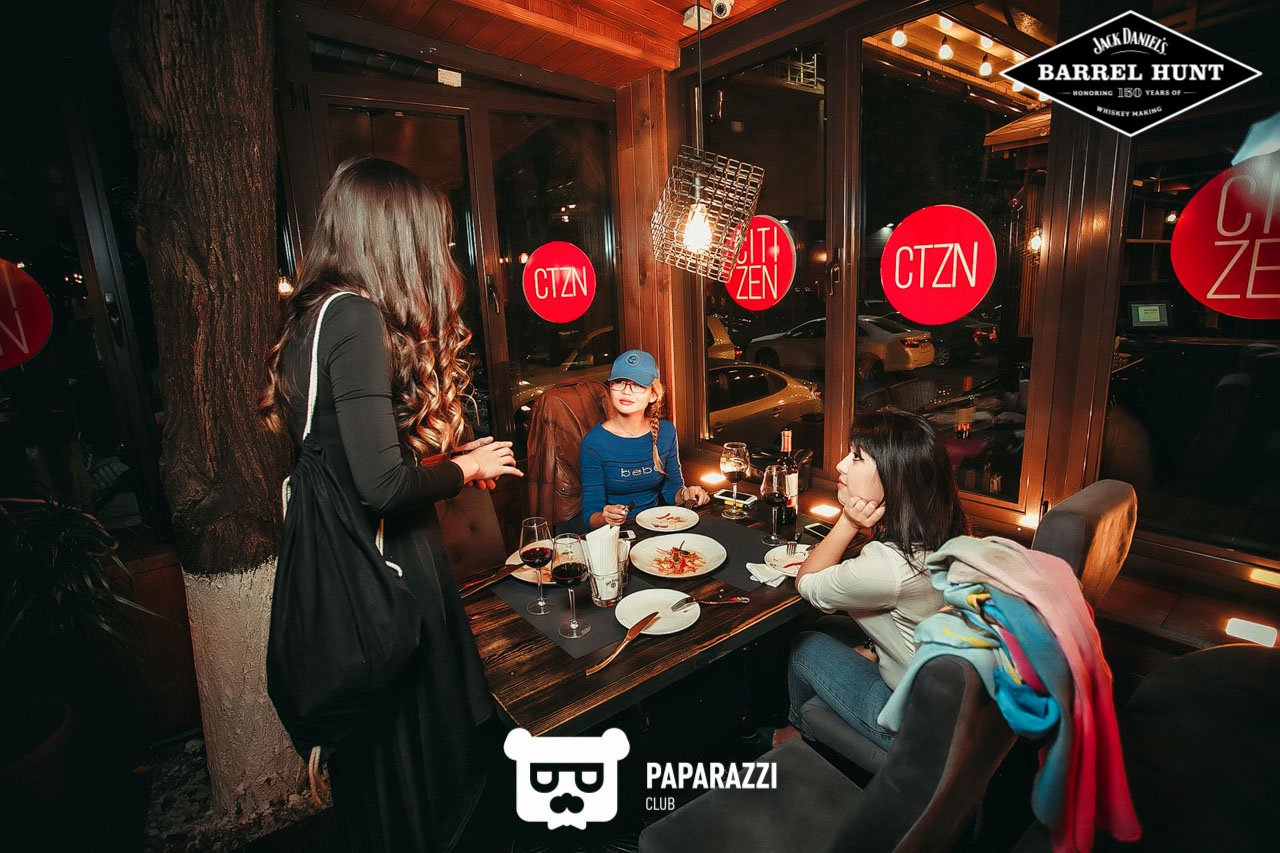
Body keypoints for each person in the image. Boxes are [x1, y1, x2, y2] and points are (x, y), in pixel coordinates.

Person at [260, 156, 521, 851]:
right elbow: (379, 486)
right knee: (428, 754)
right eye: (434, 236)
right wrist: (464, 468)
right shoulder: (355, 316)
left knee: (385, 768)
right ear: (395, 236)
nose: (441, 253)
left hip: (354, 552)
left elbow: (348, 461)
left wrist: (443, 465)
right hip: (388, 564)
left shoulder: (313, 315)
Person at [775, 408, 967, 751]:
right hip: (947, 701)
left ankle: (797, 733)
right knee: (831, 626)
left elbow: (807, 582)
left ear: (894, 477)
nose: (840, 466)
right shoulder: (947, 533)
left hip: (910, 724)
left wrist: (848, 521)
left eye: (856, 456)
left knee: (805, 644)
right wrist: (875, 648)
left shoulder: (889, 564)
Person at [579, 349, 710, 528]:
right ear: (610, 388)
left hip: (658, 525)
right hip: (617, 533)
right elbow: (590, 514)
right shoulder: (593, 443)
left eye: (638, 385)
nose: (626, 391)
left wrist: (686, 494)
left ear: (653, 395)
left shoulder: (666, 432)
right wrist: (606, 517)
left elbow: (672, 491)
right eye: (619, 382)